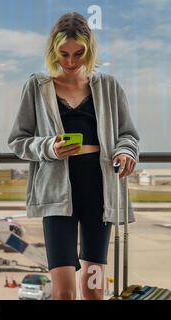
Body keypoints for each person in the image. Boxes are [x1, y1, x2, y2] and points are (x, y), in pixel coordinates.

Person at [8, 12, 140, 300]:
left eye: (78, 53)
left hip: (100, 195)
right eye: (63, 54)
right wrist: (49, 148)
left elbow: (128, 134)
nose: (70, 61)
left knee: (94, 290)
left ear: (89, 50)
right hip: (57, 198)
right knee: (64, 292)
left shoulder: (108, 86)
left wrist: (125, 151)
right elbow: (18, 141)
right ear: (53, 52)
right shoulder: (37, 87)